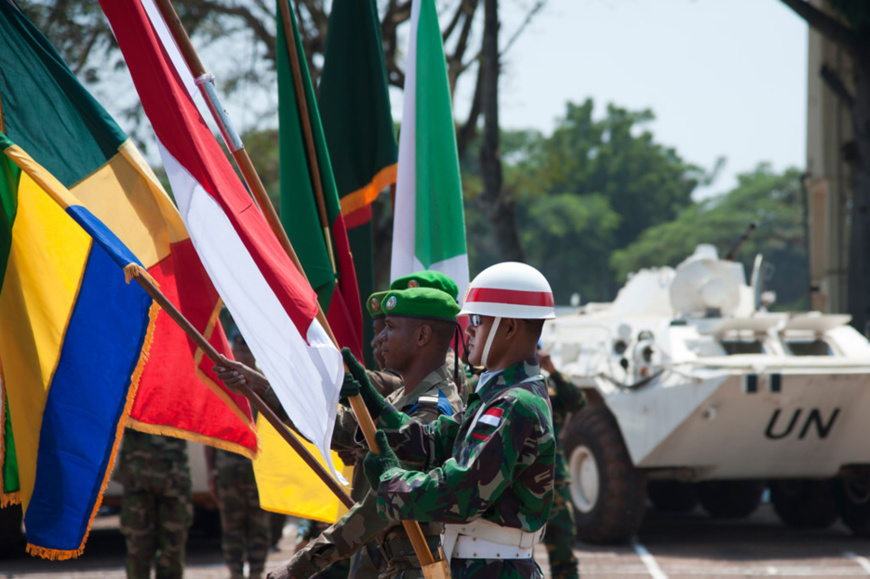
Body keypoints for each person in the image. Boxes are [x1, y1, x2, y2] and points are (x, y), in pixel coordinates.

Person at [354, 262, 558, 578]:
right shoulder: (498, 394)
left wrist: (388, 481)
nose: (468, 329)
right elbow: (436, 441)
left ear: (510, 327)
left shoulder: (515, 403)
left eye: (477, 319)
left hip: (494, 568)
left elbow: (460, 493)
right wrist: (375, 407)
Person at [206, 334, 272, 579]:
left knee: (259, 529)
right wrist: (211, 471)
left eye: (247, 346)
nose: (242, 351)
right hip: (228, 470)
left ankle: (256, 575)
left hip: (259, 471)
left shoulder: (265, 387)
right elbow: (212, 434)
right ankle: (236, 574)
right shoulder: (223, 385)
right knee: (231, 529)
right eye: (238, 346)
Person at [116, 429, 193, 579]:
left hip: (173, 479)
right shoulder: (128, 404)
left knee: (172, 551)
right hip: (137, 479)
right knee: (138, 550)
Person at [538, 347, 587, 579]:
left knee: (563, 549)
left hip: (555, 479)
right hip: (519, 479)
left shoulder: (552, 384)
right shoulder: (506, 378)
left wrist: (552, 370)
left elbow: (578, 401)